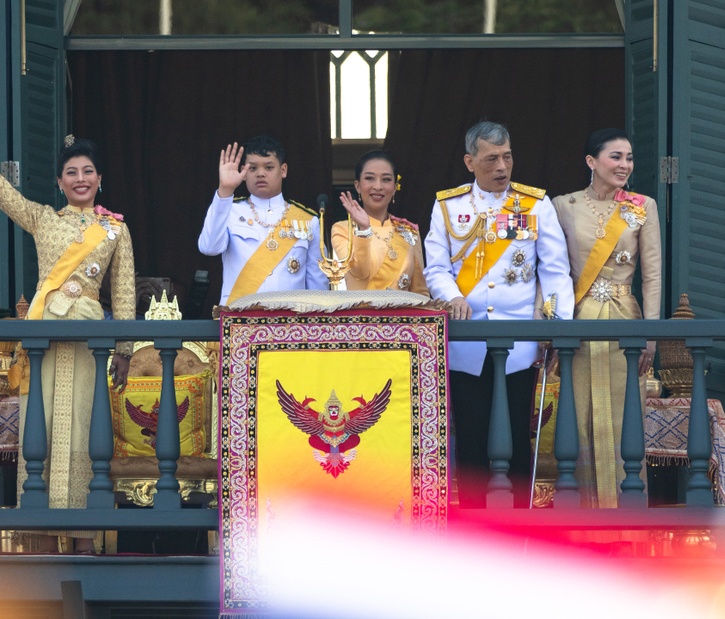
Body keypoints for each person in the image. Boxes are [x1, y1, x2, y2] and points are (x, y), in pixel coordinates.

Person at [0, 108, 136, 552]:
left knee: (83, 431)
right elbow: (2, 193)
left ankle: (84, 539)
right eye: (70, 173)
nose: (79, 178)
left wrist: (123, 348)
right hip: (41, 339)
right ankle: (41, 538)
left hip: (87, 343)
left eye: (87, 171)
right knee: (36, 434)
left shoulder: (115, 230)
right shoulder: (44, 218)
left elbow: (122, 292)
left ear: (99, 178)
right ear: (60, 182)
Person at [424, 121, 574, 508]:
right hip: (467, 342)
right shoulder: (448, 206)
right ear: (469, 161)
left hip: (521, 344)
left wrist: (555, 325)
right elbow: (436, 269)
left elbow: (555, 271)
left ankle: (520, 524)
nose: (502, 167)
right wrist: (452, 296)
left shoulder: (534, 204)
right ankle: (474, 530)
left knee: (518, 437)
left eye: (507, 156)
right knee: (471, 436)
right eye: (491, 159)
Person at [552, 128, 661, 508]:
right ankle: (582, 523)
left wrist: (651, 333)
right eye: (616, 157)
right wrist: (550, 322)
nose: (624, 165)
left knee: (624, 418)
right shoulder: (563, 205)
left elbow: (652, 275)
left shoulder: (642, 205)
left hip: (625, 319)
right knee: (579, 417)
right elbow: (552, 270)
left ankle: (628, 517)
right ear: (591, 162)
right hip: (579, 320)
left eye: (629, 158)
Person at [198, 135, 328, 304]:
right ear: (244, 172)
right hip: (240, 320)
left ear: (283, 170)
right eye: (252, 168)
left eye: (268, 167)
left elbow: (318, 285)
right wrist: (225, 190)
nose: (260, 173)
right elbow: (208, 247)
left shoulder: (308, 220)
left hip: (291, 323)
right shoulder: (229, 210)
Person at [331, 150, 429, 295]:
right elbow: (360, 271)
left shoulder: (409, 232)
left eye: (386, 179)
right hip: (361, 316)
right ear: (357, 186)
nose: (378, 186)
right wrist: (363, 229)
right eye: (370, 178)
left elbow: (420, 292)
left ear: (395, 187)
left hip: (403, 317)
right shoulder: (342, 229)